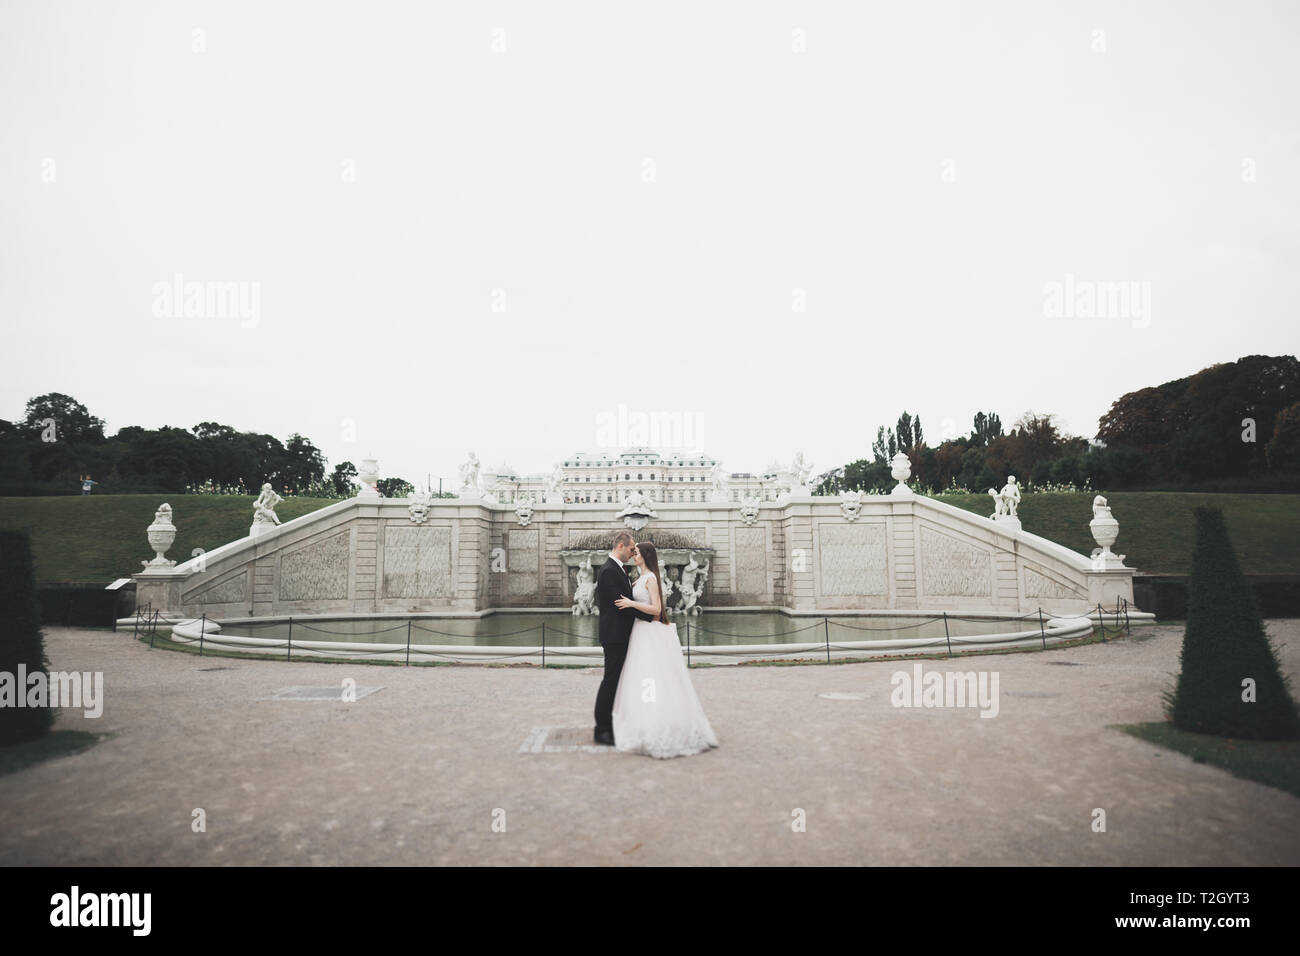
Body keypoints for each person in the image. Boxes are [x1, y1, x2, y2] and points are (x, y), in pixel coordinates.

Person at [611, 541, 719, 759]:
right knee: (641, 677)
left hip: (649, 633)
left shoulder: (650, 578)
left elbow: (657, 610)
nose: (634, 555)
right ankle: (644, 721)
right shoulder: (639, 578)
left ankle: (657, 722)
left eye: (637, 553)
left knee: (652, 677)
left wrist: (632, 604)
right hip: (639, 632)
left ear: (646, 556)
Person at [593, 531, 653, 745]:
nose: (632, 552)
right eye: (630, 549)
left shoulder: (616, 569)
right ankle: (602, 730)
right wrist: (650, 616)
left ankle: (612, 724)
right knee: (611, 681)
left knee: (616, 681)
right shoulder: (609, 571)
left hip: (619, 634)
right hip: (615, 636)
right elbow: (621, 605)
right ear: (620, 546)